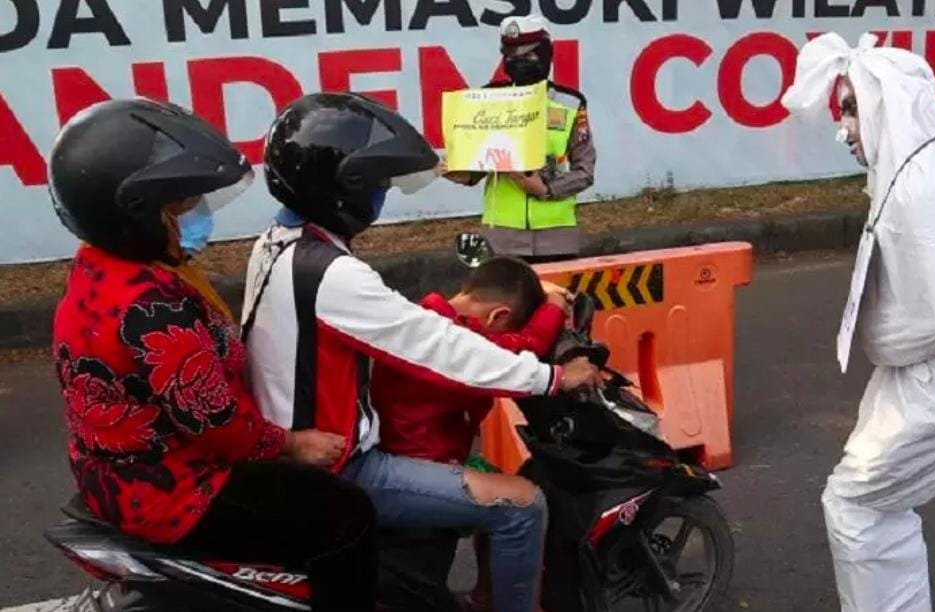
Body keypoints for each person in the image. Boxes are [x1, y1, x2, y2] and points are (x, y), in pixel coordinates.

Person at [242, 92, 602, 612]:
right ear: (347, 188)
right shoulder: (333, 274)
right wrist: (550, 378)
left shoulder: (278, 242)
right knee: (522, 504)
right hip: (342, 466)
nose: (383, 195)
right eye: (380, 184)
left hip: (295, 447)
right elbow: (442, 349)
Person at [48, 99, 377, 612]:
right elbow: (220, 426)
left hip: (112, 471)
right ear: (135, 212)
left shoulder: (99, 270)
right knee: (346, 514)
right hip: (174, 488)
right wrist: (294, 443)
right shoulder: (151, 310)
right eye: (182, 207)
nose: (197, 215)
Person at [781, 33, 935, 612]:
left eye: (852, 109)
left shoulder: (919, 187)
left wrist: (881, 343)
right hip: (928, 377)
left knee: (857, 506)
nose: (843, 128)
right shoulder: (932, 169)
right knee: (871, 507)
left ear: (890, 105)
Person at [372, 256, 570, 612]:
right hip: (417, 463)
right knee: (524, 507)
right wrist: (556, 304)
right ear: (497, 317)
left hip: (412, 451)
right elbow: (527, 347)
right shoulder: (457, 340)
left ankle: (484, 599)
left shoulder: (427, 317)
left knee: (496, 482)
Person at [444, 14, 596, 264]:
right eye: (511, 55)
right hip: (501, 239)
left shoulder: (570, 104)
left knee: (556, 302)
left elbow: (585, 171)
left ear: (545, 54)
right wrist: (458, 171)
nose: (519, 62)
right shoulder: (489, 101)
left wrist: (547, 190)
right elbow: (475, 171)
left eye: (528, 54)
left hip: (556, 236)